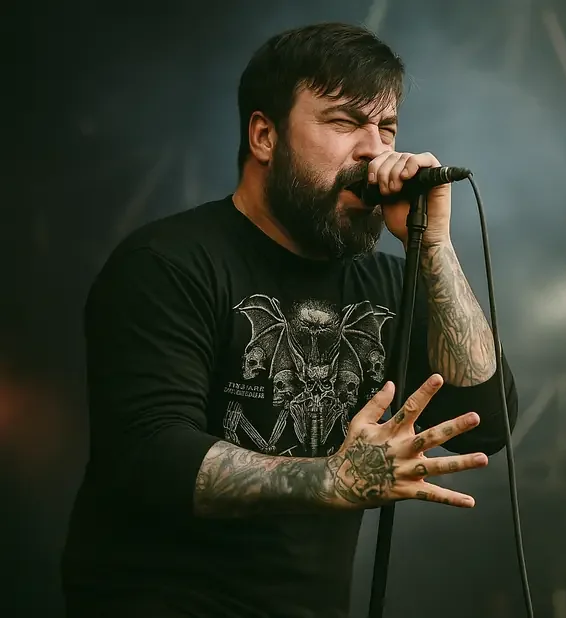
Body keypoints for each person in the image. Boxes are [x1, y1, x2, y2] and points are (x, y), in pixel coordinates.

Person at [61, 22, 518, 618]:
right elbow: (150, 454)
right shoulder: (169, 264)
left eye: (387, 128)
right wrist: (333, 479)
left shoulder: (384, 281)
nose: (374, 150)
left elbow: (485, 418)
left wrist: (432, 247)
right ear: (264, 136)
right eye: (344, 122)